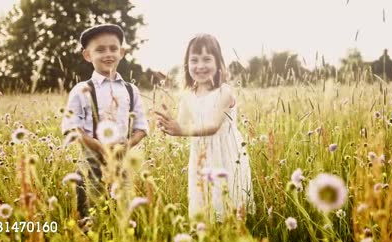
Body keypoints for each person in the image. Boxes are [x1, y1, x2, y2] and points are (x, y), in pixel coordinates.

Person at [155, 34, 255, 221]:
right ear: (187, 65)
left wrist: (180, 129)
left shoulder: (224, 92)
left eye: (207, 59)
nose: (200, 66)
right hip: (201, 157)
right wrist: (168, 125)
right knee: (205, 202)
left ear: (218, 64)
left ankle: (232, 236)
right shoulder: (188, 96)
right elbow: (182, 125)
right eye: (194, 60)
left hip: (226, 155)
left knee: (228, 201)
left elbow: (213, 126)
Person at [61, 24, 149, 219]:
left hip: (122, 161)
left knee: (122, 214)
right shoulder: (82, 89)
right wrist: (96, 145)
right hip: (91, 161)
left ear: (122, 52)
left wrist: (129, 143)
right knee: (91, 214)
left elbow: (141, 127)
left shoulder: (130, 90)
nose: (107, 54)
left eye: (113, 48)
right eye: (100, 50)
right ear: (87, 55)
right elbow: (71, 127)